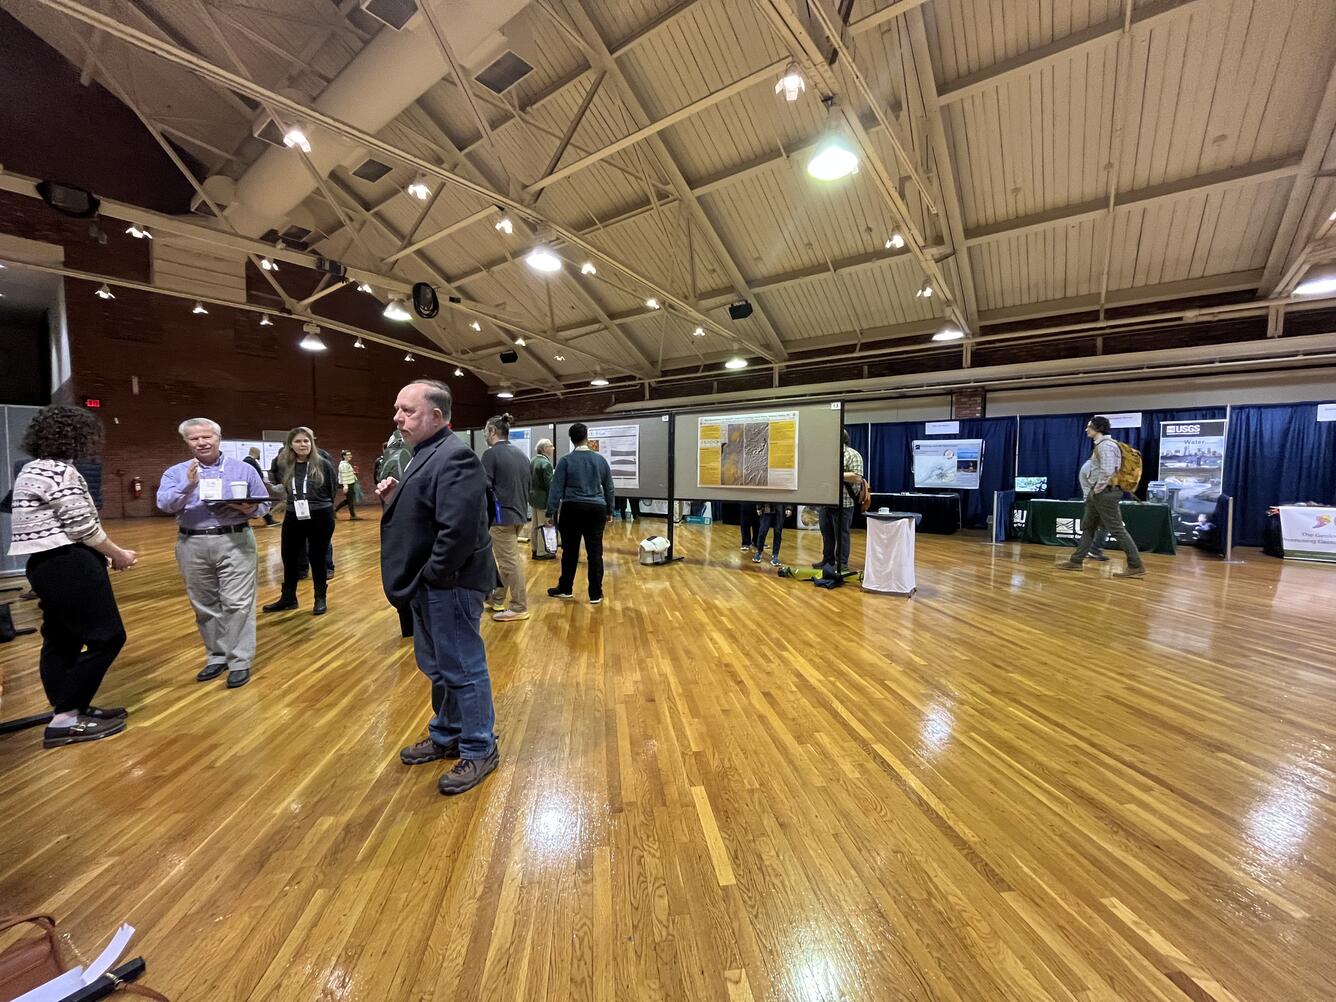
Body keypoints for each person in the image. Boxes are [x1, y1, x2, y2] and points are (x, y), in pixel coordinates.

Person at [378, 379, 500, 795]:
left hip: (449, 584)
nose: (397, 417)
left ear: (436, 415)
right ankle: (447, 733)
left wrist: (432, 576)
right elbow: (430, 512)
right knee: (442, 668)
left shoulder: (456, 456)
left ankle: (480, 747)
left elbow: (459, 531)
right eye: (396, 408)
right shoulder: (420, 455)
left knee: (463, 668)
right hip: (432, 584)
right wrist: (395, 497)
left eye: (407, 410)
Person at [6, 406, 137, 747]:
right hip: (69, 561)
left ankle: (70, 709)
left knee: (61, 639)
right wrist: (118, 554)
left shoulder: (31, 468)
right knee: (108, 637)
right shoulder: (57, 472)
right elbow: (82, 528)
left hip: (45, 564)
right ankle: (65, 717)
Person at [157, 418, 269, 688]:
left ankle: (239, 661)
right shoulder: (176, 472)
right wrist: (187, 485)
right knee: (204, 604)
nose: (202, 442)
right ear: (186, 442)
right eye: (194, 439)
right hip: (191, 542)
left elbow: (264, 506)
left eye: (207, 437)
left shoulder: (242, 469)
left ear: (219, 438)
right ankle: (216, 656)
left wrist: (244, 508)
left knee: (237, 603)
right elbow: (164, 504)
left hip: (235, 539)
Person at [1056, 416, 1146, 579]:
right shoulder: (1103, 445)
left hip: (1105, 493)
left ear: (1097, 428)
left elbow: (1107, 471)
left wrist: (1096, 490)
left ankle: (1135, 565)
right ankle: (1076, 561)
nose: (1086, 429)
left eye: (1089, 426)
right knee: (1088, 526)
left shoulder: (1106, 446)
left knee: (1117, 529)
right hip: (1101, 492)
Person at [262, 427, 337, 616]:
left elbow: (332, 488)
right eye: (298, 441)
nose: (302, 445)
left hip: (320, 514)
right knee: (288, 556)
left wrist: (318, 504)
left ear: (312, 443)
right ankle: (288, 598)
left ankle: (320, 598)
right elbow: (280, 484)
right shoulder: (284, 464)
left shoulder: (323, 464)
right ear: (290, 445)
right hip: (293, 513)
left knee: (317, 557)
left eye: (306, 441)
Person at [546, 422, 615, 605]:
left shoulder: (566, 461)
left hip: (572, 508)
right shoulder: (600, 460)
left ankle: (566, 588)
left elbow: (556, 488)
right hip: (596, 509)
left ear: (571, 439)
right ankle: (595, 593)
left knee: (570, 551)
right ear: (587, 437)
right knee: (595, 553)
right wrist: (610, 510)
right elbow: (609, 487)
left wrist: (550, 511)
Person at [480, 414, 532, 623]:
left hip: (501, 518)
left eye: (486, 430)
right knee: (506, 560)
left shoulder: (490, 455)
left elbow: (483, 488)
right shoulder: (521, 454)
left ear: (493, 431)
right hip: (518, 515)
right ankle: (497, 598)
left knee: (509, 562)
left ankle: (519, 606)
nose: (485, 434)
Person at [817, 429, 865, 572]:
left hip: (844, 503)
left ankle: (841, 564)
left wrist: (835, 473)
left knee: (842, 536)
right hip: (826, 502)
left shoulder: (853, 455)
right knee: (826, 534)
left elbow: (857, 477)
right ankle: (827, 560)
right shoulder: (826, 455)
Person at [1077, 454, 1111, 561]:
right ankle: (1092, 551)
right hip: (1094, 500)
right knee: (1093, 528)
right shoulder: (1090, 467)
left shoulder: (1092, 466)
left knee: (1099, 526)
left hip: (1095, 500)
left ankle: (1091, 551)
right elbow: (1098, 485)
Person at [530, 438, 556, 560]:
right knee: (544, 525)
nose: (553, 448)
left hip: (534, 499)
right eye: (551, 446)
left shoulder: (533, 461)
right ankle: (542, 551)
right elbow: (550, 486)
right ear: (545, 449)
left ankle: (534, 549)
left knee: (535, 525)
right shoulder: (546, 464)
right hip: (544, 500)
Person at [243, 447, 277, 527]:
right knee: (259, 502)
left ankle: (269, 519)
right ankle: (268, 519)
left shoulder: (249, 461)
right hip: (253, 487)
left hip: (254, 487)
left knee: (259, 503)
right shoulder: (249, 461)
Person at [753, 503, 793, 568]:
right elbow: (761, 493)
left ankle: (775, 555)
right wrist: (758, 507)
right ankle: (759, 552)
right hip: (767, 506)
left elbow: (787, 493)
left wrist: (789, 507)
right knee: (762, 531)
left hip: (780, 507)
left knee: (778, 532)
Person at [333, 450, 361, 520]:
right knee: (350, 500)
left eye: (350, 454)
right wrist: (345, 486)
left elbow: (346, 473)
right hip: (348, 484)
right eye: (348, 455)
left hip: (350, 483)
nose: (350, 456)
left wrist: (353, 473)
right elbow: (344, 475)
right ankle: (353, 515)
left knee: (350, 499)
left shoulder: (346, 464)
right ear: (344, 456)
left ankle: (335, 511)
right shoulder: (344, 465)